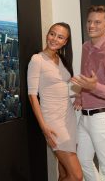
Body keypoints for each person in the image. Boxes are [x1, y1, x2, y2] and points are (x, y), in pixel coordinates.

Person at [71, 5, 105, 181]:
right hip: (86, 117)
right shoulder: (86, 46)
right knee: (83, 160)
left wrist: (95, 87)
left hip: (104, 118)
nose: (91, 26)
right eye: (89, 21)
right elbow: (86, 77)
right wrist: (80, 95)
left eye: (97, 22)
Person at [28, 22, 83, 181]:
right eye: (52, 34)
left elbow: (63, 86)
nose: (54, 39)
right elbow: (32, 96)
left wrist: (78, 94)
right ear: (47, 34)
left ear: (65, 42)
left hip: (68, 117)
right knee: (77, 176)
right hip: (53, 120)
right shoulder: (37, 59)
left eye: (60, 37)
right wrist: (44, 127)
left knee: (65, 173)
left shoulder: (61, 59)